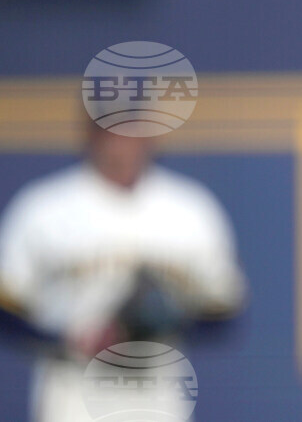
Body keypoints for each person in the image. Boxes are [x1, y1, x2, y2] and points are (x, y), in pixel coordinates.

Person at [0, 118, 246, 422]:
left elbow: (224, 311)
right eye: (111, 129)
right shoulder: (43, 208)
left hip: (158, 395)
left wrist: (157, 327)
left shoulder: (191, 209)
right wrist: (68, 340)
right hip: (71, 392)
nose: (122, 143)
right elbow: (8, 311)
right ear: (90, 134)